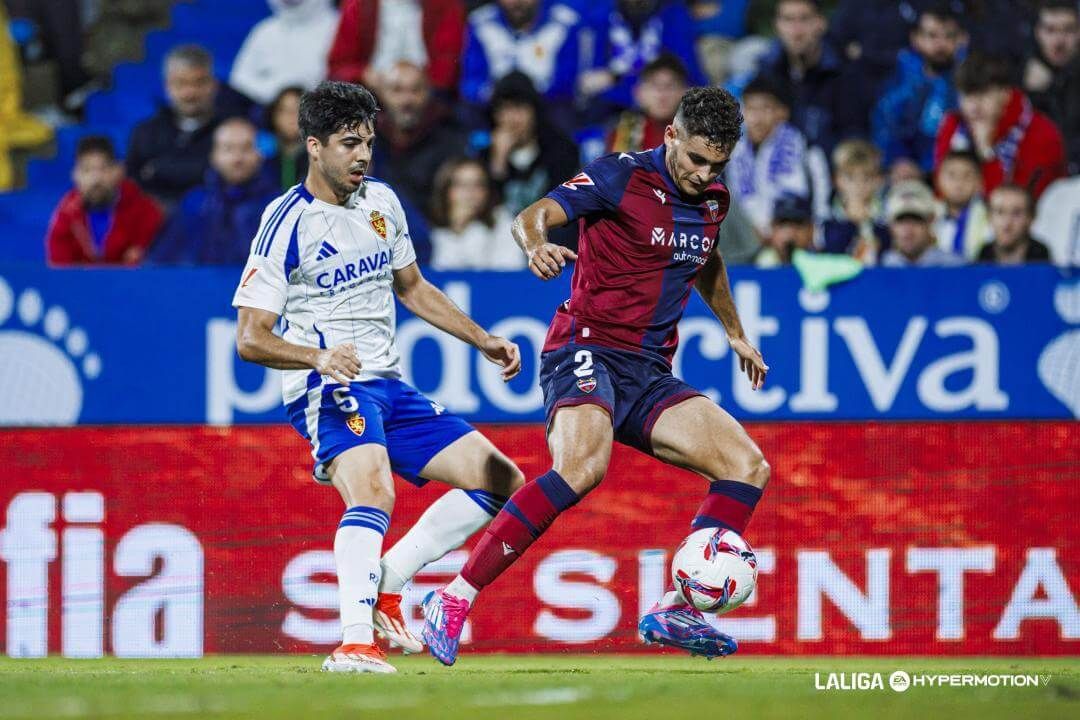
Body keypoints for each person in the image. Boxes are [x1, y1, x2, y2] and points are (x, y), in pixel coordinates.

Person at [422, 86, 771, 666]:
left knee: (748, 465)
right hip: (585, 347)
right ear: (672, 137)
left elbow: (706, 258)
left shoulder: (713, 200)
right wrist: (536, 246)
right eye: (696, 159)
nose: (704, 173)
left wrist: (734, 329)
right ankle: (454, 598)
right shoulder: (619, 177)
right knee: (583, 468)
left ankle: (675, 608)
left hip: (649, 368)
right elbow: (533, 215)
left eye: (717, 164)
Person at [232, 81, 526, 674]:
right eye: (348, 144)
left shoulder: (382, 203)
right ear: (314, 146)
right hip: (326, 386)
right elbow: (250, 338)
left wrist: (483, 338)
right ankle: (353, 643)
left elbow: (413, 288)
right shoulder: (285, 222)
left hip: (389, 384)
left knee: (503, 480)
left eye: (367, 142)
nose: (362, 156)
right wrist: (316, 358)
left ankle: (389, 575)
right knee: (373, 493)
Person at [934, 53, 1066, 201]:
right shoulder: (953, 125)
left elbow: (1017, 208)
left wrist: (987, 152)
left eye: (983, 95)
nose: (973, 107)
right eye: (967, 96)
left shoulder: (1041, 133)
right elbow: (943, 192)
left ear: (1005, 93)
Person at [149, 118, 280, 265]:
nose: (237, 158)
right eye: (228, 149)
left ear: (259, 155)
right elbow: (161, 260)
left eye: (246, 148)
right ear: (214, 156)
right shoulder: (194, 203)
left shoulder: (278, 206)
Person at [750, 0, 870, 157]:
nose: (796, 30)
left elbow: (854, 138)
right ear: (777, 26)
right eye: (788, 19)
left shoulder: (845, 74)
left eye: (804, 19)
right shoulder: (767, 73)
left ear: (821, 24)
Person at [480, 72, 580, 246]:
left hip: (549, 239)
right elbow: (482, 211)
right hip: (501, 245)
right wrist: (498, 163)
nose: (510, 119)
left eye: (518, 108)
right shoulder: (485, 156)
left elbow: (563, 210)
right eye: (503, 110)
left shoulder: (561, 151)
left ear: (534, 111)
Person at [460, 0, 587, 132]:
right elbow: (471, 82)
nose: (517, 2)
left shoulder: (565, 22)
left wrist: (525, 102)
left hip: (547, 109)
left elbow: (566, 81)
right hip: (495, 109)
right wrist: (503, 101)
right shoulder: (480, 22)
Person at [126, 45, 228, 208]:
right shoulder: (144, 133)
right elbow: (130, 189)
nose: (190, 92)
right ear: (167, 87)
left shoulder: (231, 132)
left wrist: (158, 169)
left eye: (199, 83)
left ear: (214, 85)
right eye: (181, 83)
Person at [872, 4, 965, 177]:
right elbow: (885, 129)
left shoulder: (969, 84)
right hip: (904, 175)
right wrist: (898, 160)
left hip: (957, 174)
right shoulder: (898, 84)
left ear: (961, 39)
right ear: (916, 39)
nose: (941, 44)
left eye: (949, 36)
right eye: (932, 36)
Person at [45, 136, 163, 266]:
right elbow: (60, 272)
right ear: (75, 175)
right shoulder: (66, 216)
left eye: (103, 169)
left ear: (119, 171)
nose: (96, 179)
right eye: (87, 170)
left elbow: (153, 272)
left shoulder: (146, 212)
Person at [371, 62, 468, 217]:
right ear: (382, 94)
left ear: (428, 93)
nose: (406, 100)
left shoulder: (449, 140)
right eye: (397, 90)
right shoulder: (367, 140)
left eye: (415, 90)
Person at [728, 76, 818, 237]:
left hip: (792, 232)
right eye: (751, 109)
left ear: (782, 112)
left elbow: (797, 199)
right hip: (747, 237)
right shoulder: (736, 149)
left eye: (765, 109)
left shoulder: (798, 144)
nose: (757, 118)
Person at [580, 0, 705, 112]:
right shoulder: (600, 12)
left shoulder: (673, 13)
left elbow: (688, 77)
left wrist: (617, 79)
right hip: (608, 110)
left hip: (661, 109)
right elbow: (590, 82)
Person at [328, 0, 465, 97]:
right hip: (370, 94)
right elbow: (339, 64)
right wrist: (364, 74)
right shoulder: (359, 5)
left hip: (429, 96)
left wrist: (417, 84)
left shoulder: (445, 5)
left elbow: (448, 61)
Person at [228, 0, 338, 105]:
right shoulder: (265, 30)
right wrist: (277, 92)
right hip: (269, 113)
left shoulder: (338, 27)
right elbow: (238, 80)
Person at [429, 157, 526, 270]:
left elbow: (510, 269)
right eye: (461, 185)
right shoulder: (429, 228)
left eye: (478, 184)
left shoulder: (504, 222)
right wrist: (457, 228)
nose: (470, 192)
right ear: (445, 191)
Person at [1023, 0, 1080, 174]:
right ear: (1038, 32)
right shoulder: (1019, 74)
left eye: (1068, 30)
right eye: (1050, 30)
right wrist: (1033, 94)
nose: (1059, 40)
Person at [820, 140, 888, 264]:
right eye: (850, 177)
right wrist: (852, 222)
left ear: (878, 180)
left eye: (867, 177)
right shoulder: (825, 219)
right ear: (837, 180)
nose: (859, 185)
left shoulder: (887, 219)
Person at [606, 53, 688, 153]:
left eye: (670, 86)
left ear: (684, 92)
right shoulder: (626, 131)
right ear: (639, 93)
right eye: (654, 86)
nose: (662, 95)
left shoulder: (697, 132)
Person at [880, 180, 963, 267]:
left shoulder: (954, 266)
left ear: (931, 222)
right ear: (891, 226)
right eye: (901, 221)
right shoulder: (878, 266)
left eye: (916, 220)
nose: (908, 229)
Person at [933, 150, 990, 260]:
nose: (959, 183)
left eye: (967, 176)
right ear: (938, 180)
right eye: (951, 175)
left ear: (979, 182)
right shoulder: (929, 215)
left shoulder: (991, 216)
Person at [977, 184, 1052, 264]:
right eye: (1000, 212)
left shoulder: (1041, 256)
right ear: (989, 217)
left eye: (1016, 213)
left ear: (1031, 218)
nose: (1007, 223)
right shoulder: (983, 254)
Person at [264, 87, 309, 191]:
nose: (290, 116)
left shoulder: (323, 159)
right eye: (283, 110)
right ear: (273, 116)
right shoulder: (262, 156)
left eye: (297, 109)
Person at [755, 194, 816, 267]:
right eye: (782, 224)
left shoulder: (824, 266)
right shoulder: (754, 265)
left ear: (811, 230)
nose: (790, 232)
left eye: (798, 223)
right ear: (772, 228)